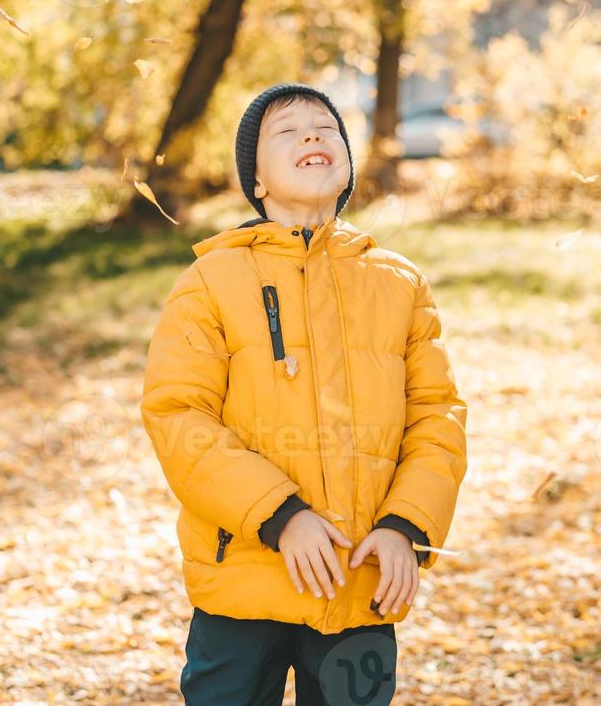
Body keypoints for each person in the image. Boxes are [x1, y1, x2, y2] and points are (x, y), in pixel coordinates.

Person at [141, 82, 468, 705]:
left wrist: (406, 526)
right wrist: (279, 516)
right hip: (243, 577)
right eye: (287, 132)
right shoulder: (211, 281)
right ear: (255, 181)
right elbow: (178, 416)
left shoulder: (399, 284)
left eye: (326, 128)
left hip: (360, 581)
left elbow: (436, 417)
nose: (313, 136)